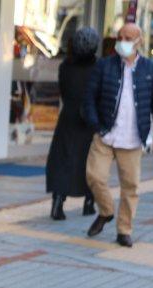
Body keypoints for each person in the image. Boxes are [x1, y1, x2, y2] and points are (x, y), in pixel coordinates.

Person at [82, 22, 153, 248]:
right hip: (105, 134)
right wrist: (94, 123)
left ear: (139, 41)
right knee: (95, 176)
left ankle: (124, 230)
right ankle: (107, 211)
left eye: (128, 38)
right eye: (120, 37)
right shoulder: (104, 66)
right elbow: (89, 97)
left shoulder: (151, 69)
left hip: (132, 137)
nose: (123, 42)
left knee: (130, 187)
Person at [45, 26, 99, 221]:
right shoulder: (97, 67)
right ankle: (89, 202)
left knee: (63, 160)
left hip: (68, 117)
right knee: (91, 161)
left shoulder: (65, 67)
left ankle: (58, 203)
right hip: (90, 120)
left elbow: (64, 91)